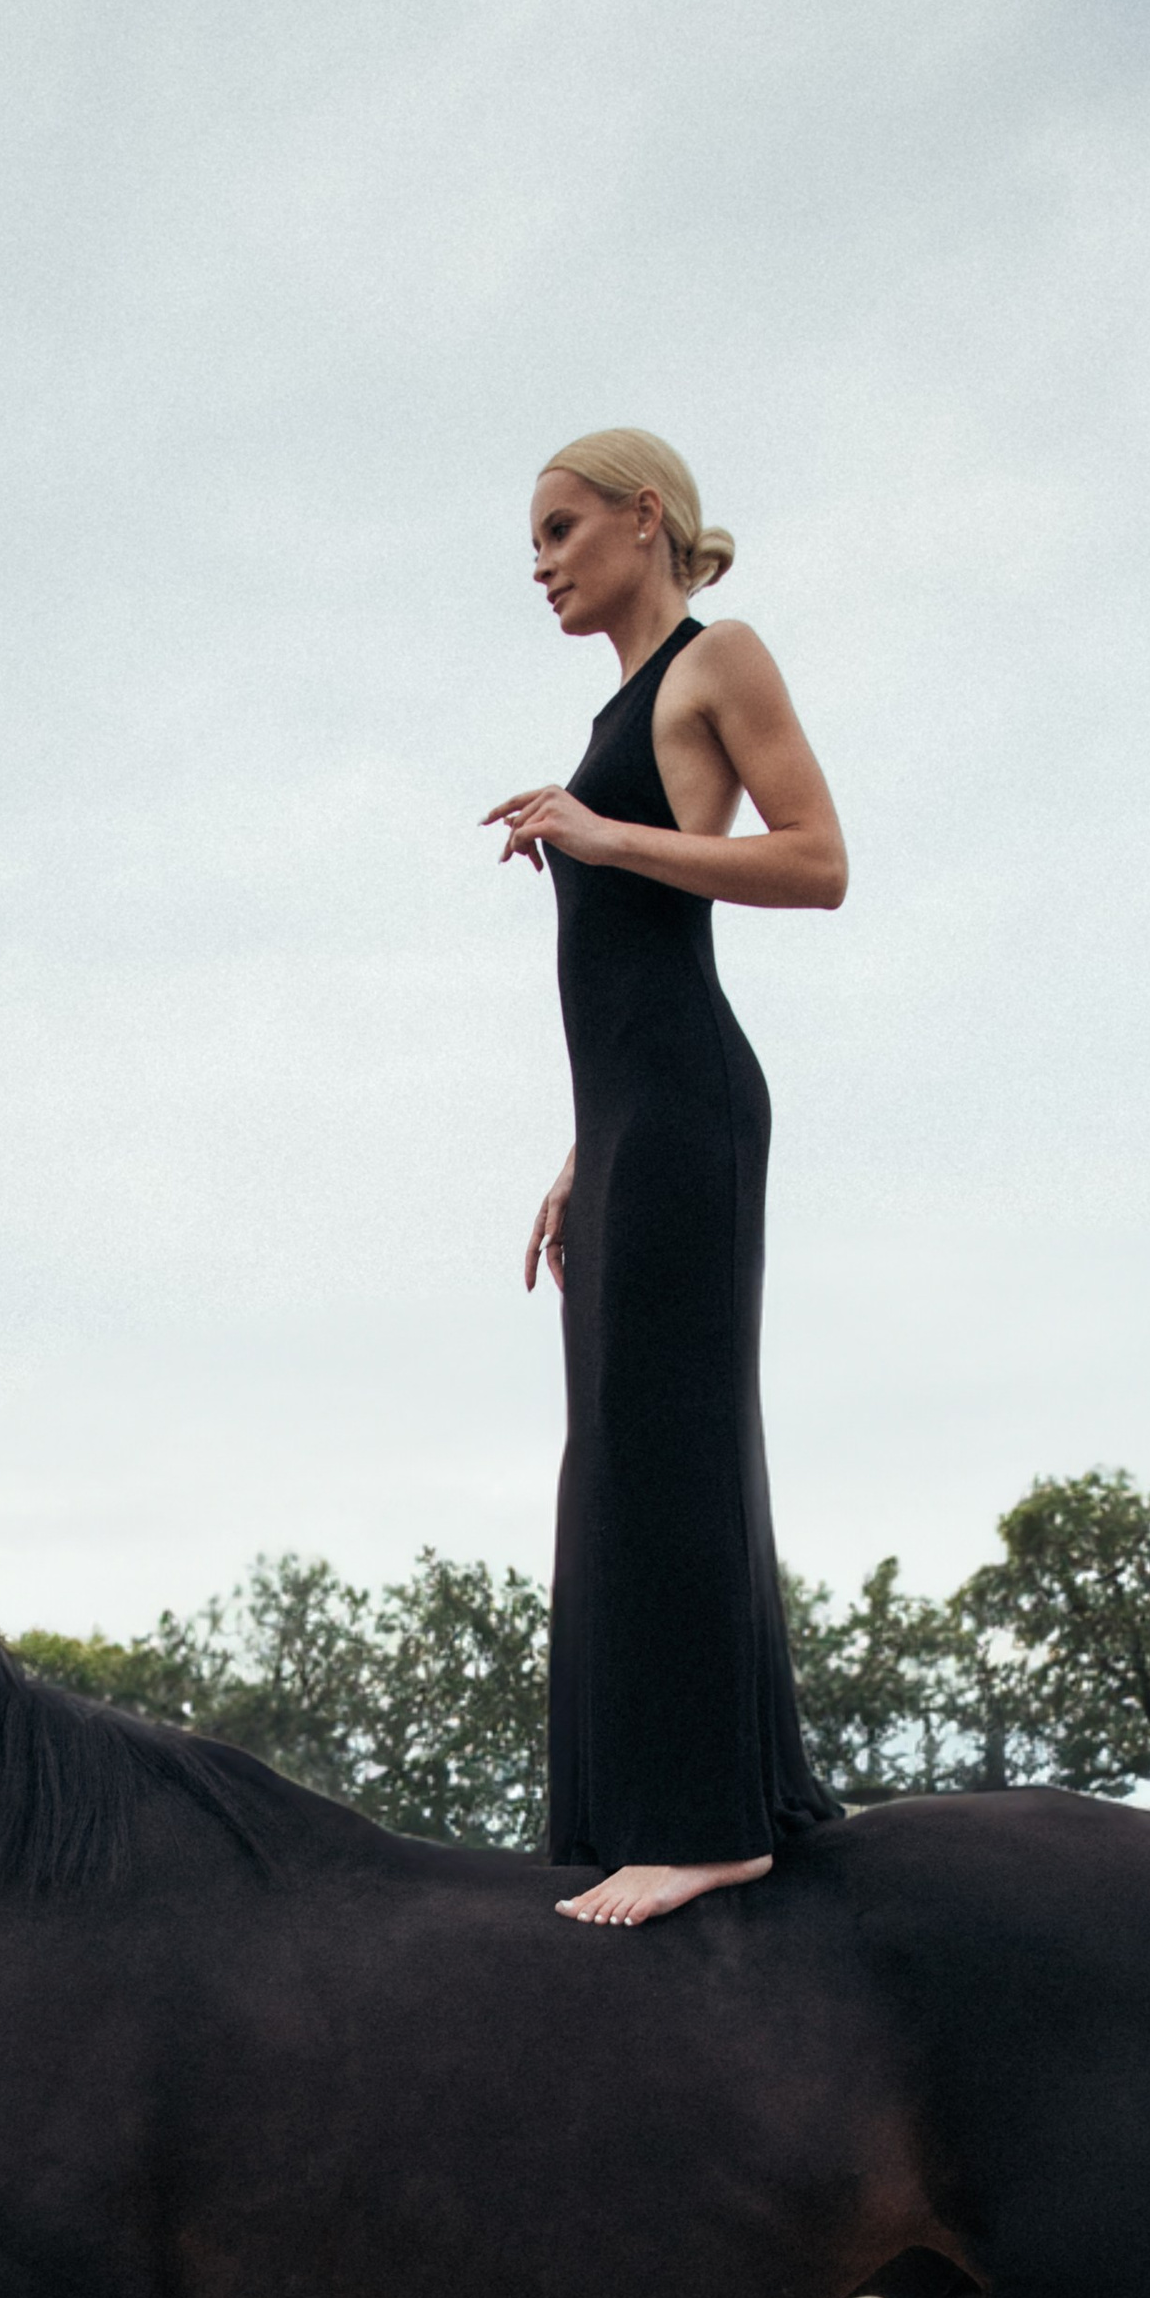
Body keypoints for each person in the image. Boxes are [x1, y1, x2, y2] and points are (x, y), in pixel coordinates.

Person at [486, 428, 848, 1927]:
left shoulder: (721, 658)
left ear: (648, 519)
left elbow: (819, 860)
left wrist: (600, 833)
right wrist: (582, 1155)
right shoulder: (616, 716)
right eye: (533, 542)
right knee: (612, 1451)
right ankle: (623, 1812)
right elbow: (617, 974)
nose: (543, 562)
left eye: (565, 528)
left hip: (698, 1106)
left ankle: (715, 1826)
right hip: (633, 1124)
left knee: (674, 1436)